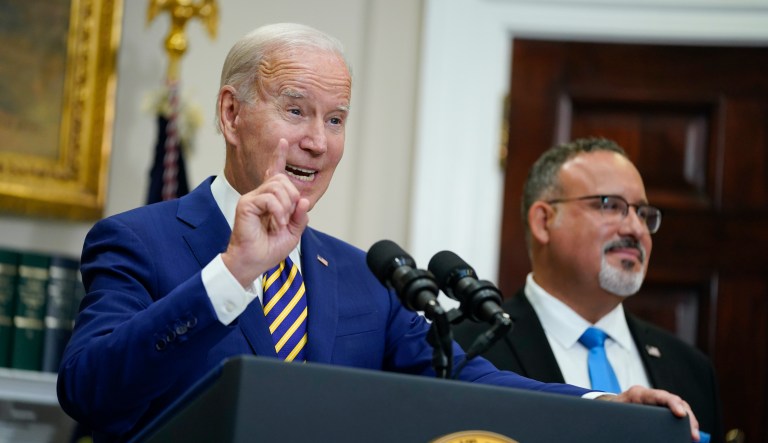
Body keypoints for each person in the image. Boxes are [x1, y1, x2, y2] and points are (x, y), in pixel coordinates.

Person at [57, 25, 703, 442]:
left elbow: (466, 378)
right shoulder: (136, 241)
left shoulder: (367, 273)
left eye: (335, 118)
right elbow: (89, 388)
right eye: (296, 109)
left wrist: (607, 402)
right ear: (231, 113)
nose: (318, 139)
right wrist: (230, 275)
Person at [454, 137, 722, 442]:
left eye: (642, 213)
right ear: (544, 221)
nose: (636, 228)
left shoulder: (691, 370)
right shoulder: (466, 346)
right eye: (611, 206)